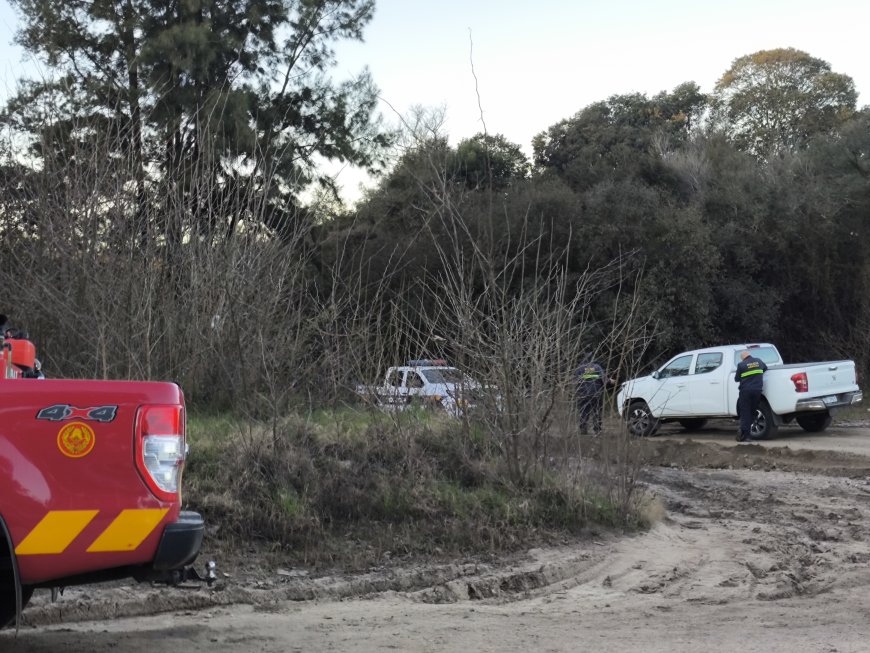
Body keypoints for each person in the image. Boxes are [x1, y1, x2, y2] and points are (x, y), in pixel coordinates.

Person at [735, 350, 767, 442]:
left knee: (745, 413)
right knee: (752, 412)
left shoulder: (741, 365)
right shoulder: (759, 361)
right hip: (757, 391)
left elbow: (736, 379)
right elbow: (765, 368)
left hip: (745, 392)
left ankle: (745, 435)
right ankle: (745, 432)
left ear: (742, 358)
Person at [576, 354, 613, 435]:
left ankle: (583, 429)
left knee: (584, 411)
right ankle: (597, 430)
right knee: (596, 411)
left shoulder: (580, 368)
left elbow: (576, 379)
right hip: (595, 393)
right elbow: (604, 379)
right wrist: (610, 381)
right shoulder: (597, 367)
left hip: (583, 394)